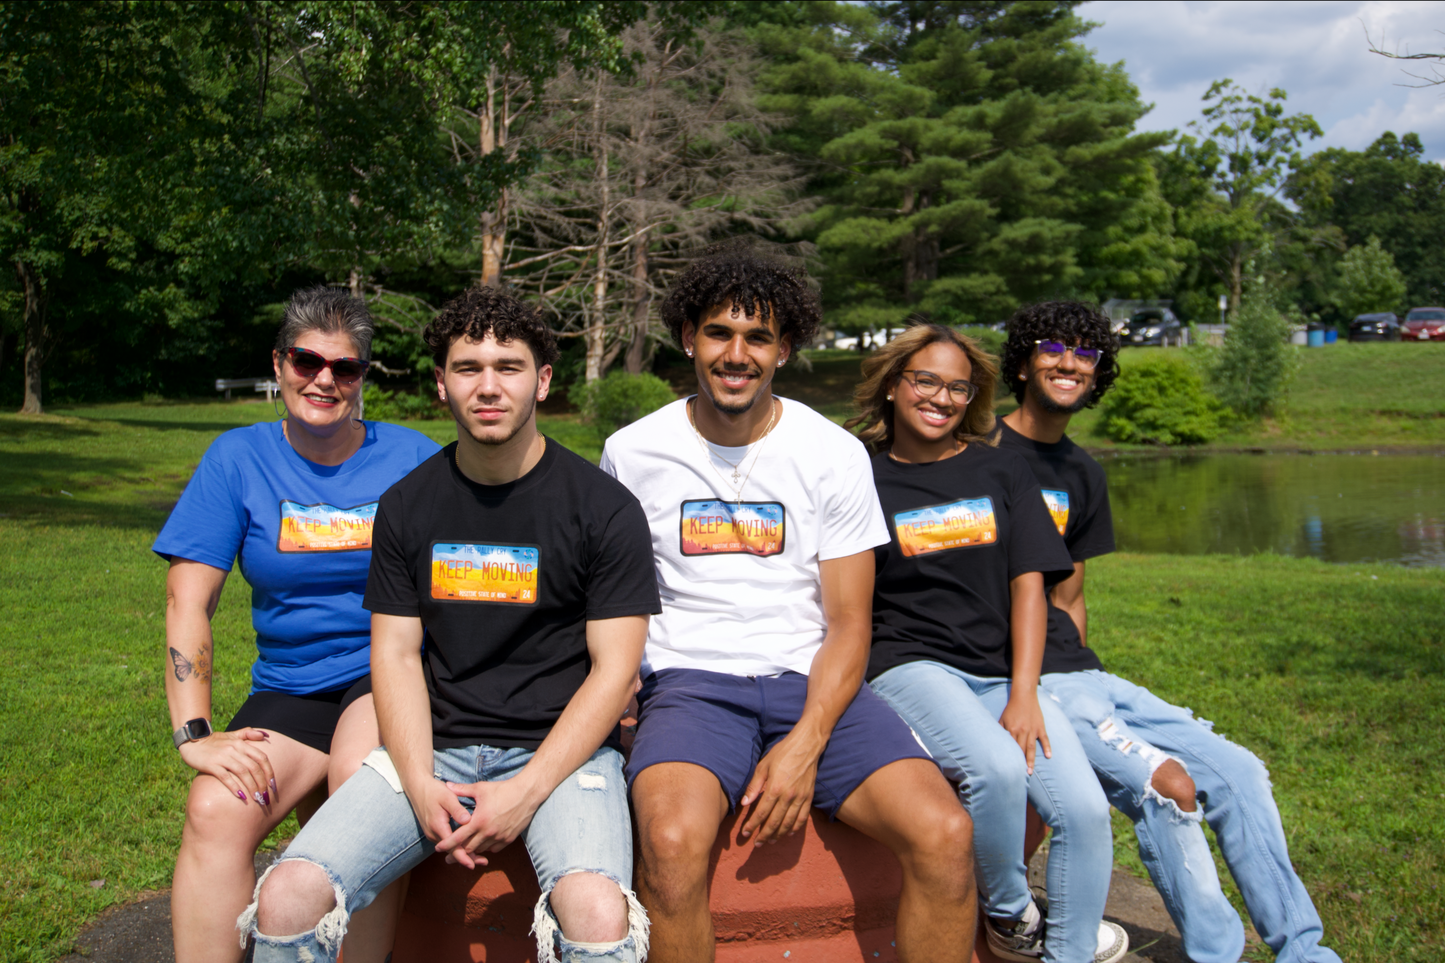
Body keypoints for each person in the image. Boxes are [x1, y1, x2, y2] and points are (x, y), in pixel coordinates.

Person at [240, 286, 660, 963]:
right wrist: (417, 781)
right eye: (467, 368)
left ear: (542, 380)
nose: (488, 387)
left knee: (597, 911)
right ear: (441, 384)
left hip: (561, 752)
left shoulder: (604, 508)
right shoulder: (408, 505)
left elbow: (615, 671)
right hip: (435, 745)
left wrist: (524, 794)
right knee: (287, 892)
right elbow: (397, 656)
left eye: (508, 366)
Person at [601, 246, 977, 963]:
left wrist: (804, 742)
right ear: (688, 337)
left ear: (785, 348)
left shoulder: (831, 453)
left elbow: (848, 623)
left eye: (758, 337)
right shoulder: (632, 451)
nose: (735, 354)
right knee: (672, 844)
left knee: (944, 833)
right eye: (718, 333)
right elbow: (619, 604)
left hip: (812, 681)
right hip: (689, 684)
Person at [997, 300, 1343, 963]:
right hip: (1023, 675)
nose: (1069, 361)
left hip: (1085, 675)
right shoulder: (978, 456)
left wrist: (1085, 676)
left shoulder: (1081, 472)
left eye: (1086, 353)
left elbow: (1069, 594)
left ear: (1097, 374)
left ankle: (1305, 951)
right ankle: (1218, 955)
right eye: (1053, 347)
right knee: (1167, 785)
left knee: (1240, 772)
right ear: (1022, 360)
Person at [154, 287, 439, 963]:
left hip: (385, 671)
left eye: (345, 368)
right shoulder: (237, 457)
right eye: (307, 360)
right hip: (290, 685)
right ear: (279, 364)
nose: (324, 380)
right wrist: (196, 733)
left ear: (363, 378)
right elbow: (187, 600)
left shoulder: (411, 455)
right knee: (213, 809)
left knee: (357, 782)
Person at [848, 323, 1128, 963]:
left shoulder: (1002, 468)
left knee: (1084, 812)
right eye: (925, 380)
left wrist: (1024, 693)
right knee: (996, 768)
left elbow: (1030, 587)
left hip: (997, 668)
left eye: (958, 387)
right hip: (906, 663)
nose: (940, 398)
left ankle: (1071, 954)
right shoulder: (859, 475)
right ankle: (1009, 916)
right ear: (894, 386)